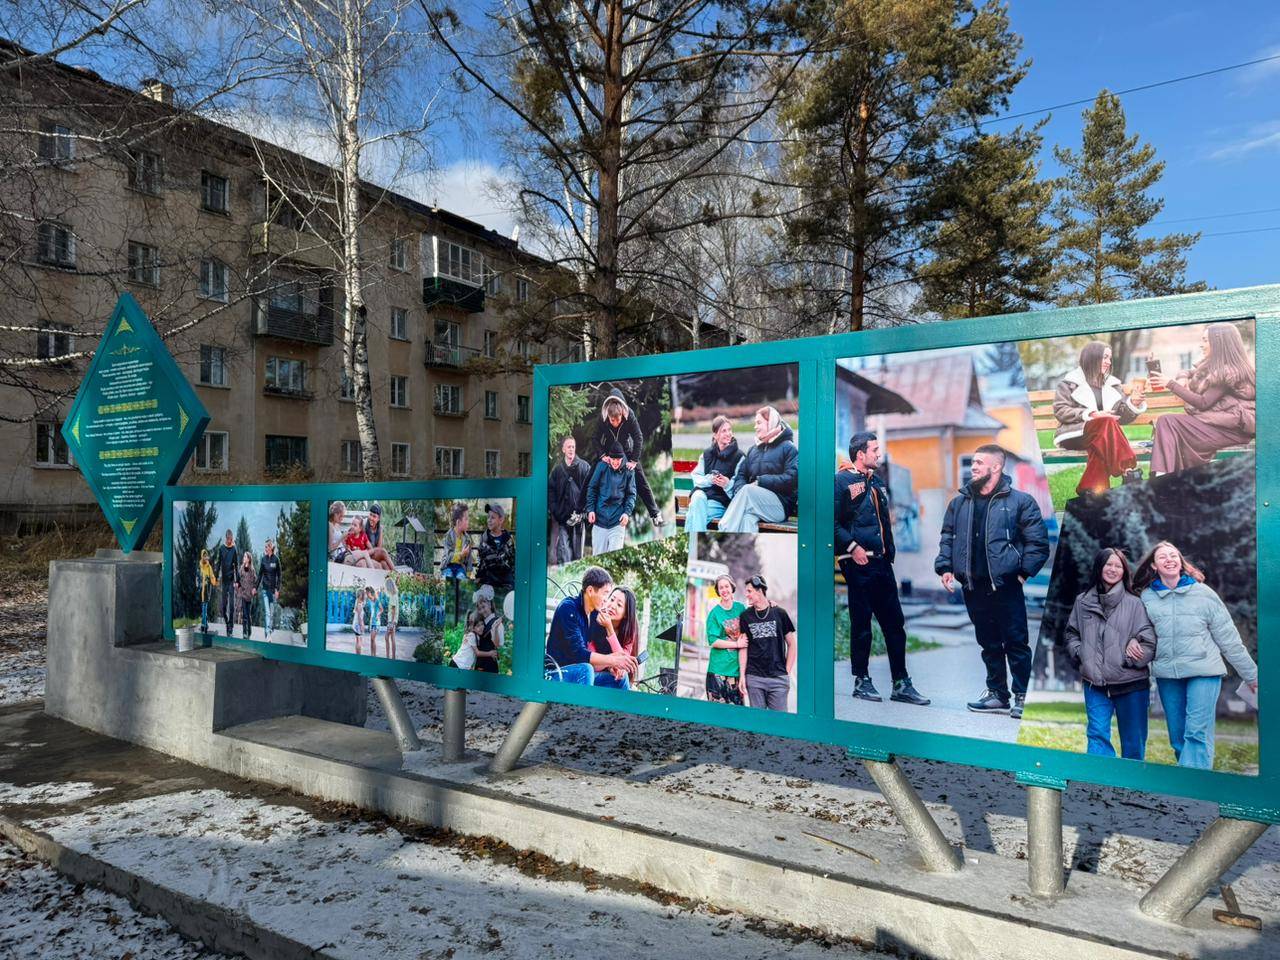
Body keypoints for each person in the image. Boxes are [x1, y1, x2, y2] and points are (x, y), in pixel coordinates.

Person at [935, 444, 1050, 720]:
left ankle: (1022, 696)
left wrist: (1022, 574)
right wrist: (945, 567)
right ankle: (997, 693)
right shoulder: (960, 502)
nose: (973, 467)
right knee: (988, 643)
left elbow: (1038, 543)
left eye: (978, 462)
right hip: (973, 587)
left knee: (1016, 643)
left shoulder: (1020, 502)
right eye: (972, 462)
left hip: (1006, 585)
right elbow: (948, 537)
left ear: (996, 467)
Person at [1136, 541, 1258, 770]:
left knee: (1196, 733)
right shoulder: (1146, 598)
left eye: (1174, 555)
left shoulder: (1203, 594)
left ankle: (1193, 792)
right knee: (1178, 737)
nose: (1170, 559)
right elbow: (1138, 632)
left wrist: (1252, 676)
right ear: (1154, 565)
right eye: (1163, 557)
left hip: (1204, 671)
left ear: (1181, 561)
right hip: (1167, 674)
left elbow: (1229, 640)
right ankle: (1194, 781)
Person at [836, 432, 930, 706]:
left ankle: (901, 683)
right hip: (858, 563)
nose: (879, 454)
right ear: (860, 454)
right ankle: (861, 680)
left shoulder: (877, 483)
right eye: (874, 449)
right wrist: (852, 547)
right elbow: (830, 521)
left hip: (881, 563)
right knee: (862, 625)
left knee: (895, 625)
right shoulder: (840, 481)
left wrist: (889, 555)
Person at [1064, 548, 1157, 760]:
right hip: (1093, 683)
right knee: (1096, 734)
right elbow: (1071, 633)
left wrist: (1129, 657)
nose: (1113, 569)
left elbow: (1149, 641)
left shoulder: (1135, 603)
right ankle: (1097, 787)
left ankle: (1131, 787)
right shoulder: (1082, 601)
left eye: (1118, 565)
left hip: (1131, 683)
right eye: (1108, 564)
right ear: (1099, 567)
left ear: (1124, 571)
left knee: (1133, 742)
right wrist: (1082, 653)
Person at [1148, 323, 1256, 476]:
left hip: (1230, 431)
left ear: (1219, 343)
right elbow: (1188, 371)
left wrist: (1170, 384)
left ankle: (1162, 477)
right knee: (1168, 424)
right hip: (1218, 426)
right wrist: (1182, 377)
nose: (1201, 345)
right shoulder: (1215, 365)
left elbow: (1203, 403)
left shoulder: (1229, 371)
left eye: (1205, 340)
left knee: (1167, 422)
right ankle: (1163, 476)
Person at [1052, 341, 1146, 495]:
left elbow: (1120, 416)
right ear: (1092, 357)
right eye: (1105, 357)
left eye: (1109, 358)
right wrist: (1091, 414)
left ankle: (1092, 491)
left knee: (1101, 443)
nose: (1108, 362)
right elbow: (1060, 410)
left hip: (1102, 437)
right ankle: (1129, 470)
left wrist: (1133, 403)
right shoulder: (1069, 383)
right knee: (1104, 423)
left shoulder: (1112, 384)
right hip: (1076, 434)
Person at [545, 566, 637, 684]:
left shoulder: (592, 615)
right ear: (590, 591)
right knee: (586, 669)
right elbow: (580, 654)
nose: (606, 600)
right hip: (556, 674)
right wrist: (612, 660)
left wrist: (610, 665)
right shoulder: (569, 608)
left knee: (620, 680)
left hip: (580, 673)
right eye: (605, 594)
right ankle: (582, 703)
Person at [718, 406, 798, 534]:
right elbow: (741, 475)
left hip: (779, 507)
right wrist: (739, 488)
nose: (755, 427)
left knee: (748, 490)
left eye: (759, 423)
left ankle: (724, 530)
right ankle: (742, 553)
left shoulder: (788, 448)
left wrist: (761, 482)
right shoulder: (753, 450)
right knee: (747, 519)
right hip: (756, 504)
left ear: (770, 422)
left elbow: (791, 478)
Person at [594, 387, 663, 526]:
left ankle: (656, 514)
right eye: (612, 421)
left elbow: (638, 437)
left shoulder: (629, 414)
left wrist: (633, 460)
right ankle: (579, 511)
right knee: (591, 476)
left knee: (641, 479)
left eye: (617, 420)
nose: (615, 423)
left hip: (626, 450)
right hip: (608, 452)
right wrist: (602, 455)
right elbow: (595, 438)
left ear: (622, 414)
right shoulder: (603, 418)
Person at [740, 575, 797, 711]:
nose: (746, 594)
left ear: (759, 591)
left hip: (778, 679)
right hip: (754, 678)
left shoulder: (779, 613)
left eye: (749, 591)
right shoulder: (745, 616)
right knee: (757, 725)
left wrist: (786, 672)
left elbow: (792, 644)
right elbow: (743, 647)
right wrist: (742, 676)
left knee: (780, 724)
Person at [684, 416, 744, 533]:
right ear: (715, 435)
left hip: (721, 502)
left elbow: (740, 486)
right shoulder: (706, 454)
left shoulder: (739, 457)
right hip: (702, 497)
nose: (728, 433)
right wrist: (710, 479)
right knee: (697, 497)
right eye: (723, 431)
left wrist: (727, 484)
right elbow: (696, 477)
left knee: (692, 515)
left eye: (729, 430)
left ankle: (693, 548)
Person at [586, 441, 636, 556]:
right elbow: (592, 488)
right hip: (599, 520)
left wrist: (627, 513)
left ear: (622, 458)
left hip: (617, 522)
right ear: (609, 458)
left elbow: (631, 494)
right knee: (598, 556)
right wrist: (590, 510)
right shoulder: (602, 467)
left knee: (615, 555)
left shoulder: (629, 471)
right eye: (613, 459)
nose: (615, 462)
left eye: (618, 460)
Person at [549, 437, 592, 564]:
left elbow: (591, 492)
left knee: (578, 556)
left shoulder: (584, 467)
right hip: (563, 520)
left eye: (573, 446)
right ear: (563, 449)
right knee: (563, 554)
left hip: (579, 520)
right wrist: (557, 512)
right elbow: (551, 493)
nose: (571, 449)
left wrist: (583, 515)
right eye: (568, 447)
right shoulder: (557, 471)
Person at [704, 575, 746, 705]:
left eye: (726, 586)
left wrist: (771, 605)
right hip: (718, 671)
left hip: (736, 671)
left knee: (736, 714)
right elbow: (713, 641)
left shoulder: (740, 608)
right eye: (720, 587)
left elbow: (756, 614)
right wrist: (736, 644)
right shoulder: (714, 614)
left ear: (731, 587)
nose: (724, 590)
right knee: (716, 714)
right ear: (718, 591)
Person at [588, 586, 641, 689]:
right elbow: (590, 664)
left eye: (619, 605)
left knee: (622, 677)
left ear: (626, 614)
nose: (612, 605)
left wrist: (610, 629)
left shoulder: (629, 629)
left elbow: (622, 662)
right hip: (590, 676)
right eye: (611, 599)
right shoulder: (595, 619)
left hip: (610, 678)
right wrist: (610, 663)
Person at [476, 502, 516, 596]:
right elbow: (480, 563)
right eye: (488, 517)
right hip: (489, 581)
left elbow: (513, 562)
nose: (489, 520)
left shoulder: (508, 539)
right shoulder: (484, 539)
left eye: (493, 517)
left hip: (506, 581)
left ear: (501, 520)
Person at [471, 593, 505, 674]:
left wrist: (495, 629)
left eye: (483, 607)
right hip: (479, 664)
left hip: (489, 666)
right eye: (479, 608)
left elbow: (497, 645)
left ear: (489, 605)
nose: (482, 611)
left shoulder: (498, 623)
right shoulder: (481, 623)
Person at [440, 503, 474, 580]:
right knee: (448, 577)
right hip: (448, 566)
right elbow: (448, 556)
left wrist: (469, 573)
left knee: (461, 578)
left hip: (460, 567)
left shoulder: (467, 539)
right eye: (466, 519)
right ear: (458, 522)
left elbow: (469, 559)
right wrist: (461, 554)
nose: (468, 522)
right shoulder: (448, 536)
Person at [215, 529, 238, 634]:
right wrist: (216, 577)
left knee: (232, 606)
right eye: (229, 539)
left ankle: (231, 627)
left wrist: (237, 581)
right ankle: (226, 620)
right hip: (224, 581)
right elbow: (218, 564)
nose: (230, 541)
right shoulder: (221, 549)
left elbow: (236, 566)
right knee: (224, 606)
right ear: (226, 538)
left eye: (231, 539)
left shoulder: (234, 549)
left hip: (231, 581)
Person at [257, 539, 281, 636]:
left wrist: (278, 589)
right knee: (267, 612)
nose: (265, 548)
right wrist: (255, 587)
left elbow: (279, 576)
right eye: (265, 547)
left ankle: (269, 629)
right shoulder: (263, 559)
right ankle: (267, 632)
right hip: (265, 590)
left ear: (271, 547)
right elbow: (260, 575)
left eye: (267, 547)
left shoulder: (276, 560)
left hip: (273, 591)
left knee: (271, 613)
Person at [362, 503, 397, 570]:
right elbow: (379, 550)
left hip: (374, 554)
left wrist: (380, 531)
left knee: (384, 563)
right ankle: (397, 573)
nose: (371, 518)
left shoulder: (379, 529)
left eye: (374, 516)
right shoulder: (364, 526)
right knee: (383, 551)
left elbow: (379, 547)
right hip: (367, 554)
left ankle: (393, 579)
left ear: (378, 518)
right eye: (370, 515)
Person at [234, 550, 258, 640]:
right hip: (243, 595)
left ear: (248, 559)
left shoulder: (252, 570)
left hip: (250, 596)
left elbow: (256, 582)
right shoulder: (241, 569)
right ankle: (244, 633)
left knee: (248, 615)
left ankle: (249, 630)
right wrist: (237, 584)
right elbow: (238, 580)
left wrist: (254, 590)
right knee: (244, 615)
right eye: (243, 557)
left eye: (245, 557)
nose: (243, 558)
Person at [197, 548, 218, 633]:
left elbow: (212, 576)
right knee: (203, 607)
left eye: (206, 556)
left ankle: (204, 625)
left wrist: (215, 582)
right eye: (204, 556)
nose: (206, 557)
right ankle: (204, 624)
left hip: (206, 590)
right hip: (200, 590)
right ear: (202, 557)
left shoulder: (209, 567)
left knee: (204, 607)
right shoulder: (200, 566)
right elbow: (198, 577)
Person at [382, 577, 399, 660]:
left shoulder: (392, 596)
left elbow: (393, 610)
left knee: (386, 637)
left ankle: (388, 657)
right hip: (394, 620)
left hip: (391, 621)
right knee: (392, 638)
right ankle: (393, 657)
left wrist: (391, 623)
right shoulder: (395, 595)